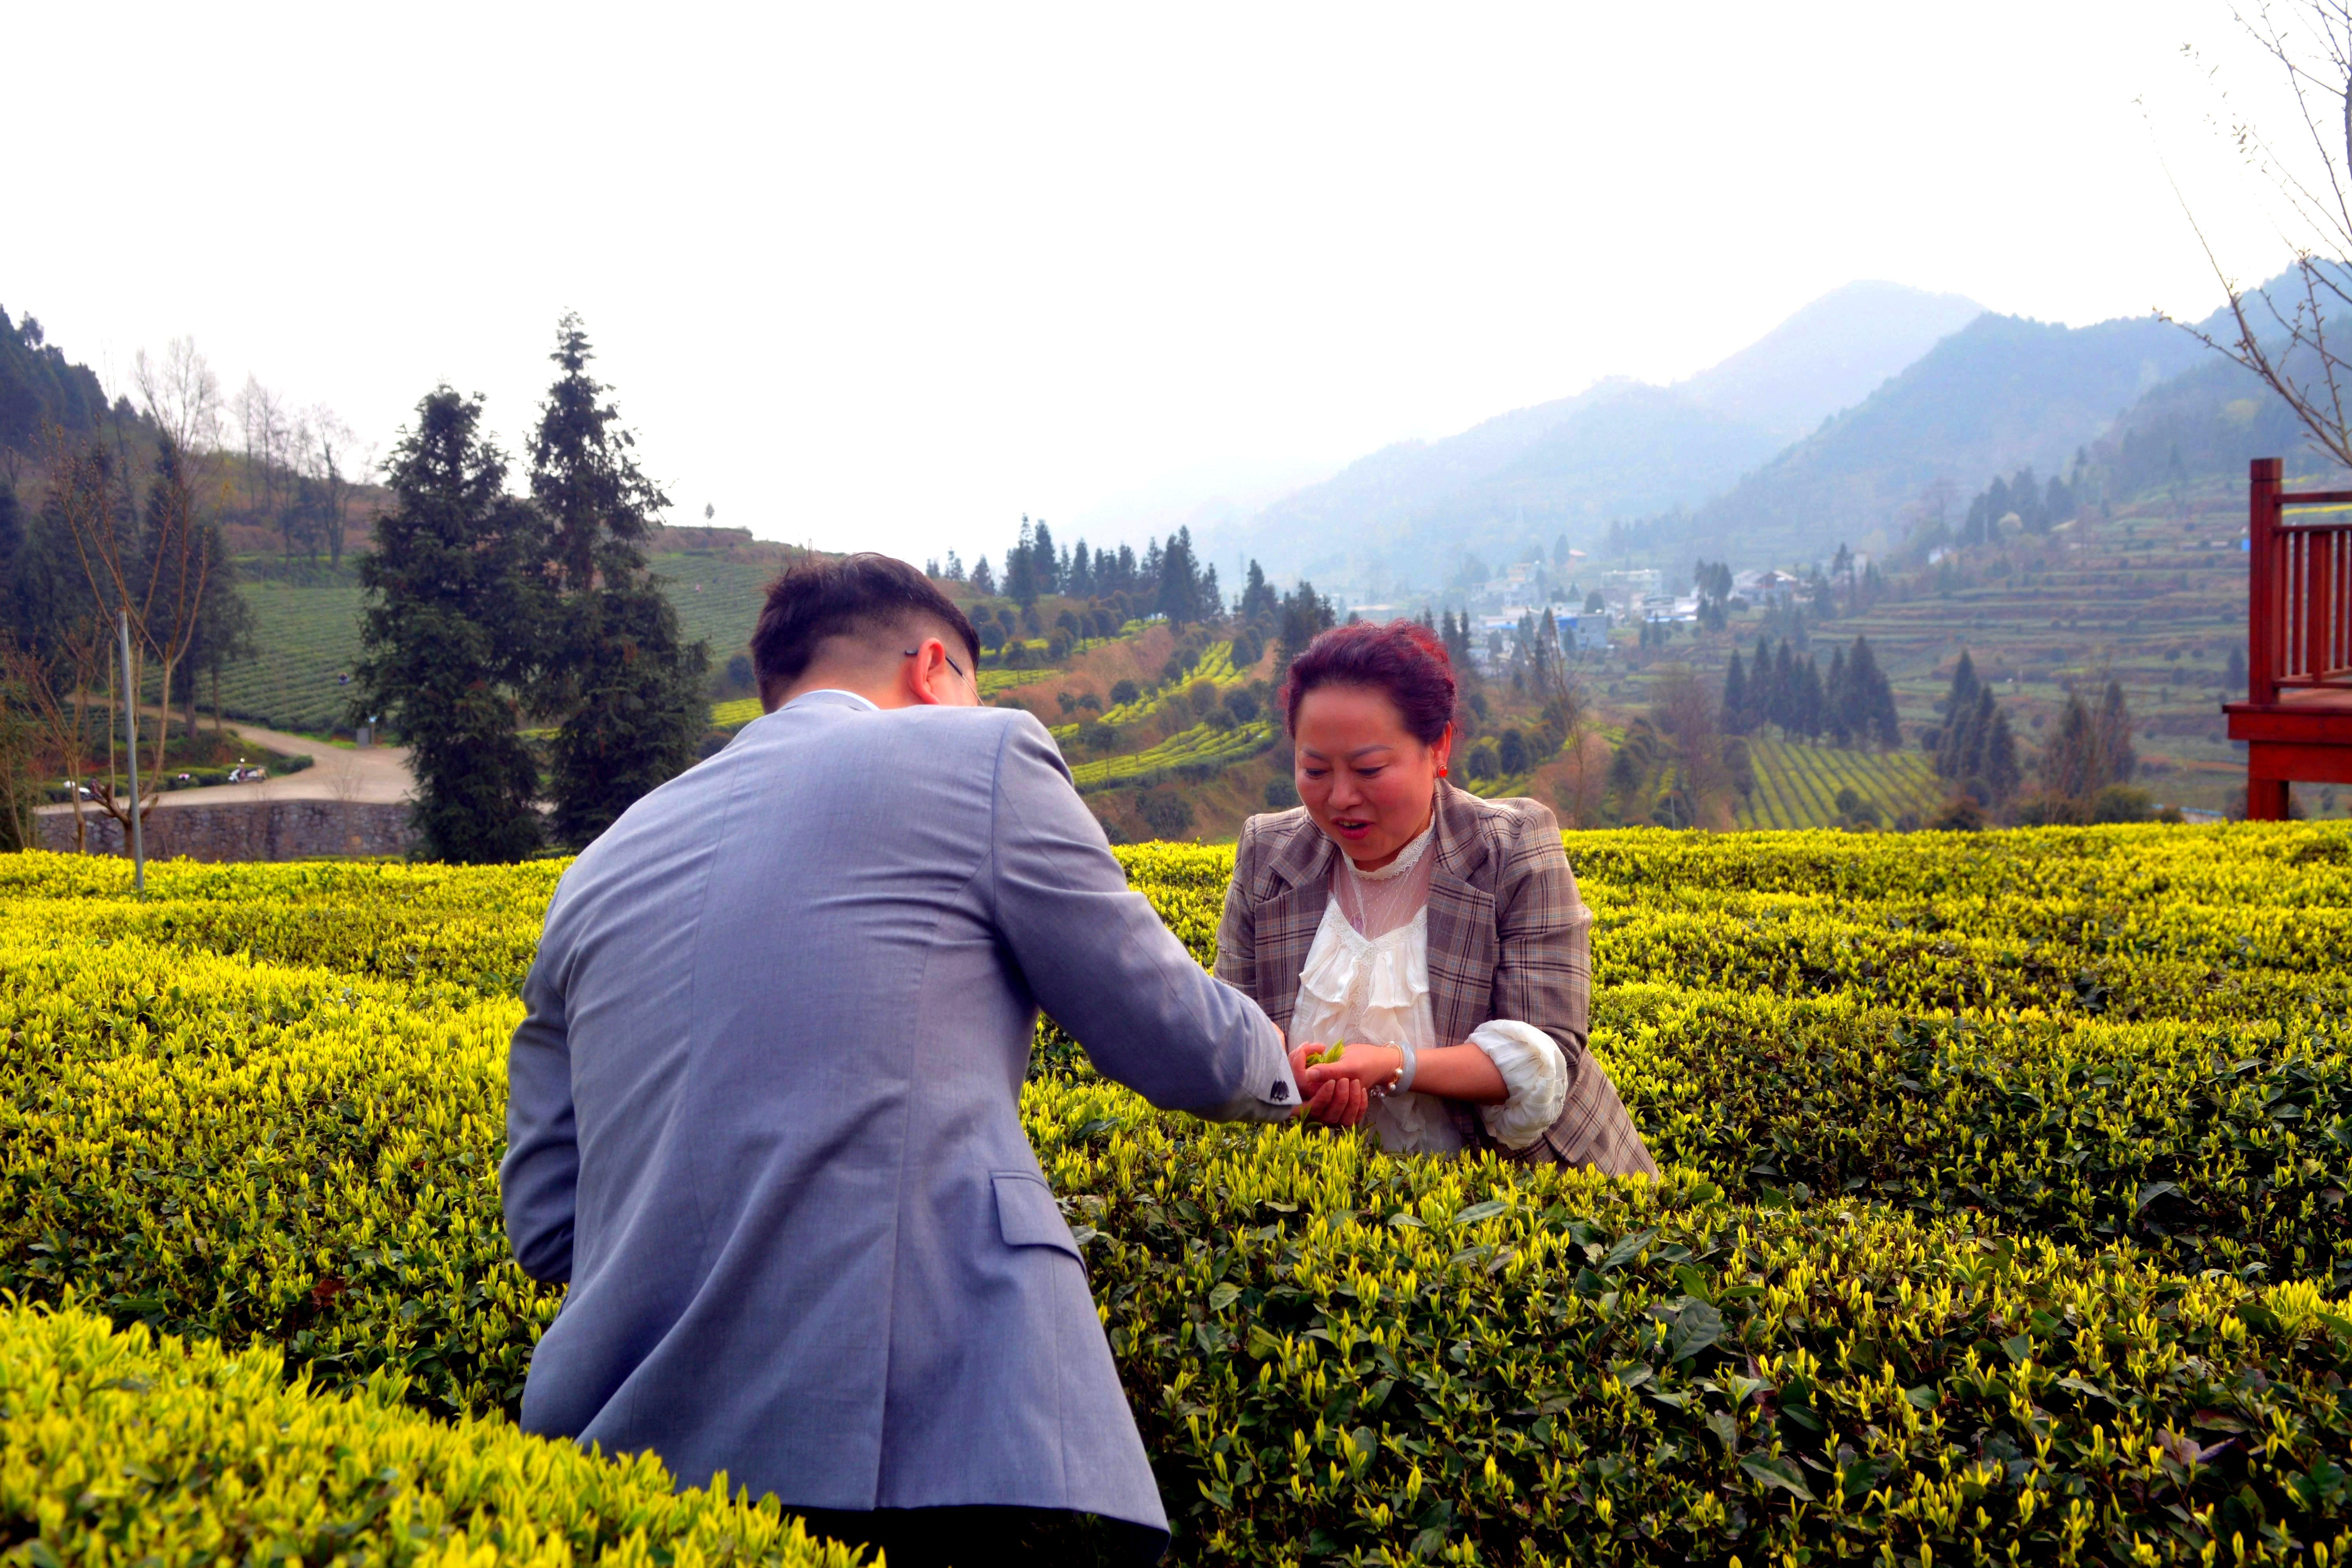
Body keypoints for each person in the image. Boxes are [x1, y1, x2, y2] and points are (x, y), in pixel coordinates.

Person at [501, 554, 1300, 1567]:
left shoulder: (599, 865)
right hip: (922, 1437)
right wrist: (1284, 1066)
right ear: (935, 671)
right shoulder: (981, 756)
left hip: (618, 1466)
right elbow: (1172, 1033)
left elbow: (543, 1219)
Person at [1215, 619, 1655, 1174]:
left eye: (1370, 769)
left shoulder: (1511, 847)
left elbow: (1547, 1050)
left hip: (1535, 1192)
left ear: (1438, 746)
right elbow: (1233, 1018)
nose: (1341, 797)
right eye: (1315, 770)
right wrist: (1284, 1073)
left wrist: (1393, 1065)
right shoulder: (1268, 852)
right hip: (1343, 1207)